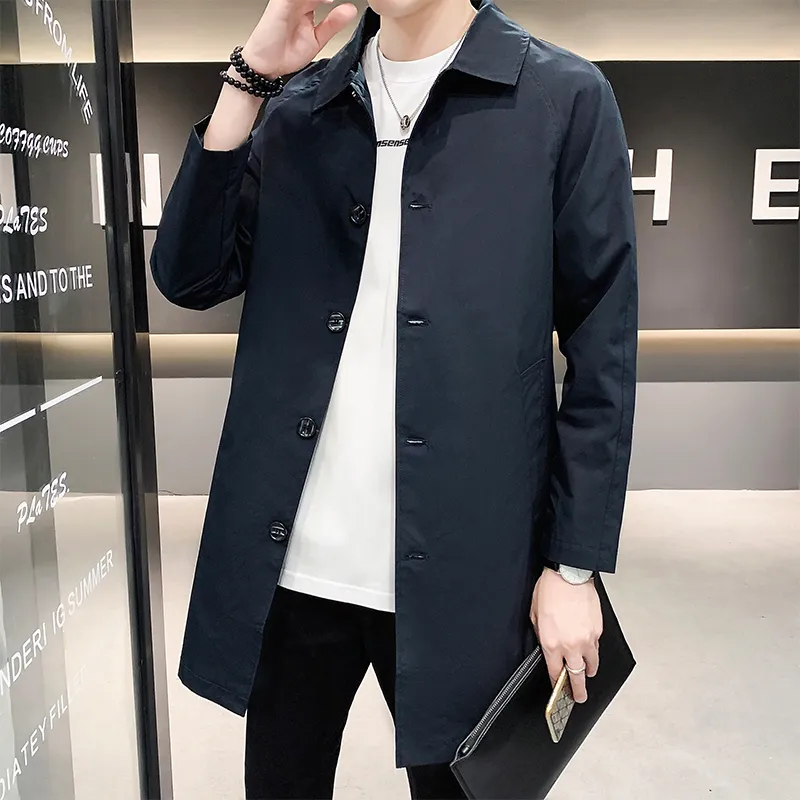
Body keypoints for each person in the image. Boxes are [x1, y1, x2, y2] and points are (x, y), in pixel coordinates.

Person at [150, 0, 638, 795]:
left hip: (470, 572)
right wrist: (250, 80)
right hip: (295, 567)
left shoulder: (561, 99)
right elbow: (188, 275)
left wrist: (574, 567)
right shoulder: (300, 107)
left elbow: (602, 348)